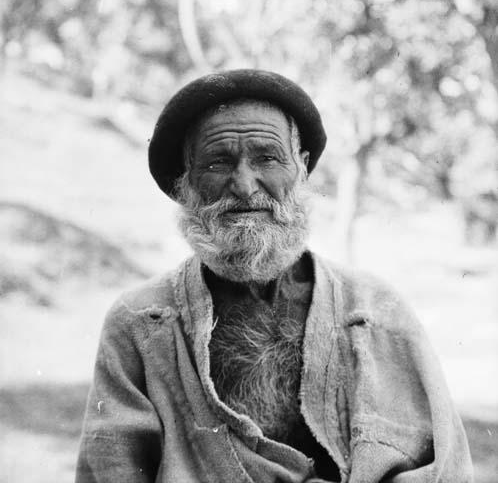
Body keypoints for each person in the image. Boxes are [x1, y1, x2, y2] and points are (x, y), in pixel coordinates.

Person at [76, 69, 473, 483]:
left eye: (267, 157)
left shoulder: (374, 310)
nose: (245, 187)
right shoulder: (141, 322)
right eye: (218, 162)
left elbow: (441, 469)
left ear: (300, 169)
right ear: (186, 181)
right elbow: (112, 470)